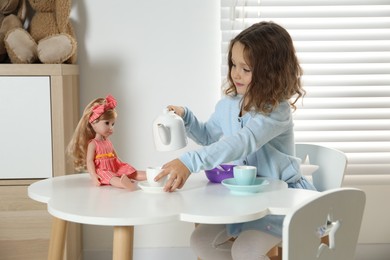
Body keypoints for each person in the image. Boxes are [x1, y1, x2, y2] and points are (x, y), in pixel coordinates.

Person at [155, 21, 316, 259]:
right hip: (247, 200)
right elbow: (209, 136)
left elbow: (243, 141)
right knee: (201, 241)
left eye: (246, 69)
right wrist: (186, 118)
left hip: (282, 199)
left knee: (245, 250)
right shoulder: (228, 105)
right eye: (233, 64)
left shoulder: (276, 110)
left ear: (270, 73)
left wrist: (190, 162)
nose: (235, 73)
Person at [67, 95, 145, 190]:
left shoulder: (108, 141)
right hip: (102, 169)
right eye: (107, 123)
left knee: (130, 171)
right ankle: (124, 184)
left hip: (114, 165)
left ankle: (151, 176)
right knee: (110, 177)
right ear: (93, 123)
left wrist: (121, 165)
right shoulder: (93, 144)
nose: (111, 128)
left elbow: (115, 156)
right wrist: (94, 175)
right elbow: (89, 161)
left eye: (113, 124)